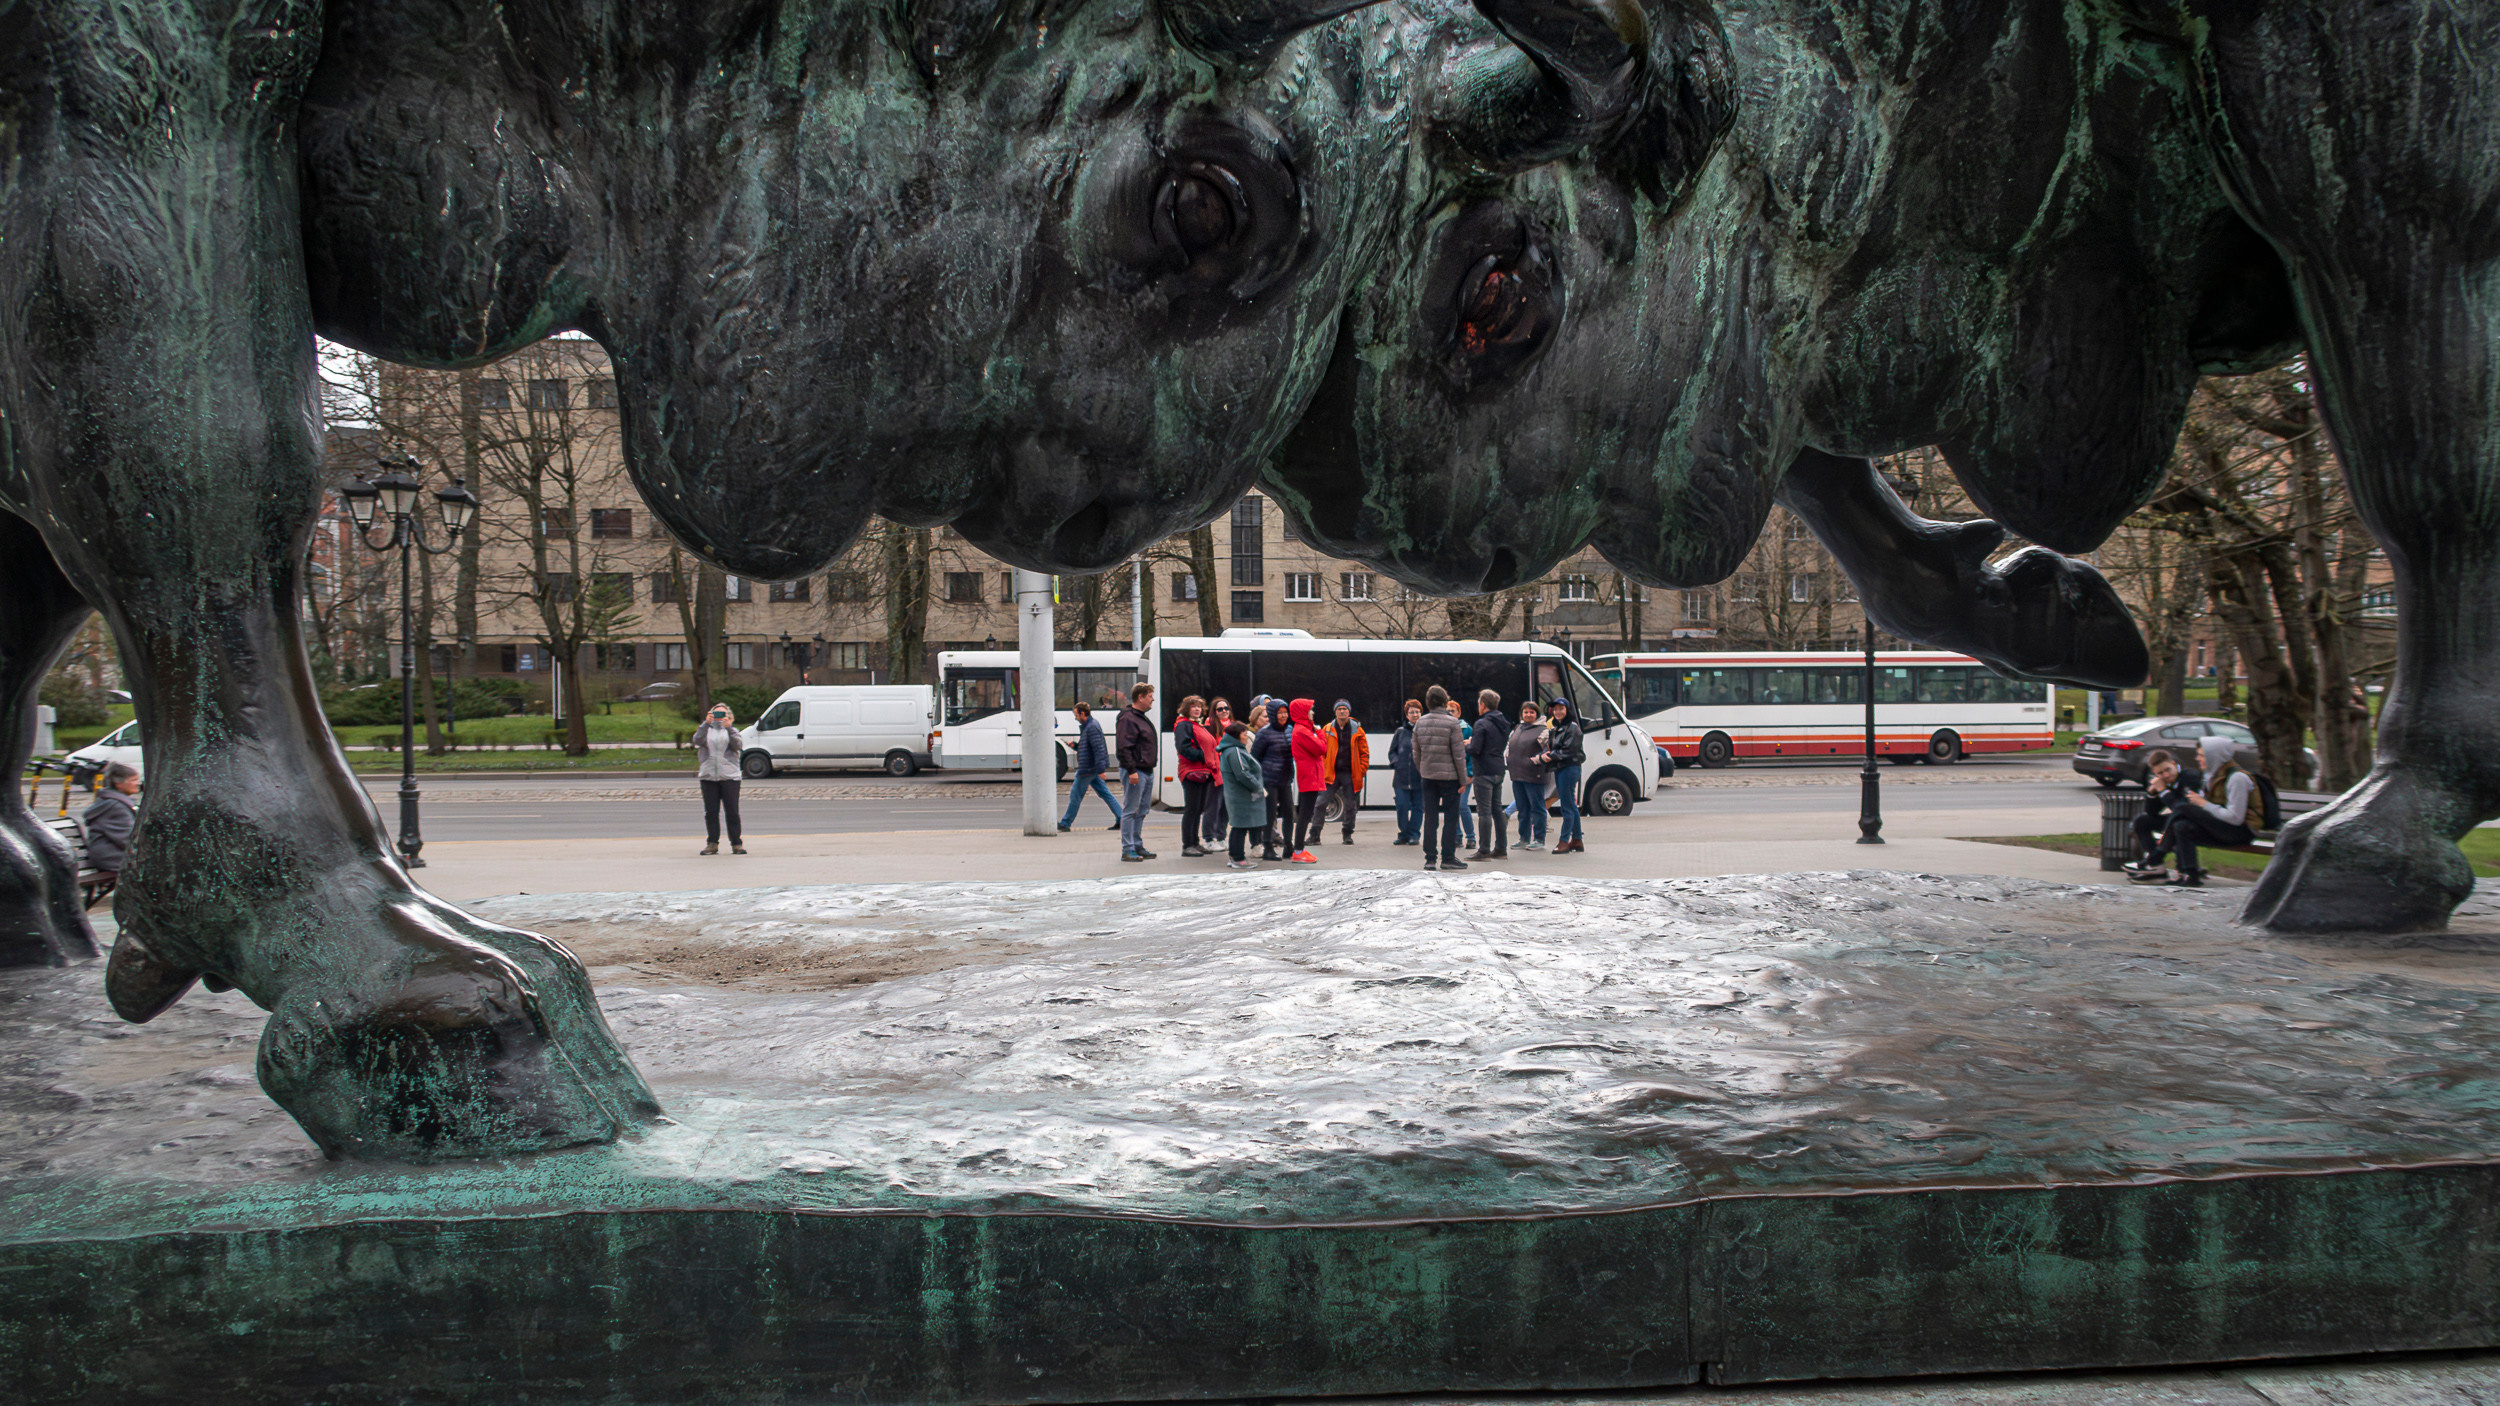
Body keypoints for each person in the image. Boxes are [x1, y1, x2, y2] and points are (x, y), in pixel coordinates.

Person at [2159, 734, 2259, 887]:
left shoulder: (2237, 778)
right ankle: (2190, 875)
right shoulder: (2210, 777)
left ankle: (2158, 853)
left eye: (2201, 755)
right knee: (2182, 825)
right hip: (2221, 828)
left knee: (2183, 808)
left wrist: (2204, 804)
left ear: (2214, 756)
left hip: (2241, 832)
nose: (2197, 759)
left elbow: (2235, 818)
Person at [2123, 748, 2203, 880]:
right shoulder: (2164, 782)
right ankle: (2156, 866)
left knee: (2178, 824)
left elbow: (2182, 808)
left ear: (2173, 763)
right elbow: (2151, 812)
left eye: (2167, 770)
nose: (2165, 775)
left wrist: (2164, 791)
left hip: (2196, 821)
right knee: (2142, 821)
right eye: (2160, 773)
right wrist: (2152, 793)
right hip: (2177, 820)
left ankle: (2155, 861)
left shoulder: (2190, 777)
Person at [1414, 685, 1469, 870]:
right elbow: (1459, 755)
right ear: (1445, 701)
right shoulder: (1452, 723)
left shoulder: (1420, 723)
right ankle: (1448, 857)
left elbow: (1416, 753)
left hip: (1428, 777)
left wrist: (1423, 770)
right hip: (1450, 778)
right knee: (1451, 817)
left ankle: (1430, 859)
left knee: (1430, 817)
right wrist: (1463, 780)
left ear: (1428, 702)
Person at [1057, 701, 1121, 833]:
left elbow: (1098, 749)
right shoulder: (1090, 726)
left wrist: (1101, 770)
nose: (1075, 718)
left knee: (1076, 795)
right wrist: (1075, 746)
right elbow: (1089, 747)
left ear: (1082, 713)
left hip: (1087, 769)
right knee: (1105, 793)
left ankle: (1065, 822)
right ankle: (1122, 818)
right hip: (1091, 768)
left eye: (1076, 715)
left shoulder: (1091, 727)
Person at [693, 703, 747, 855]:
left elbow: (738, 745)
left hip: (729, 777)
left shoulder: (732, 731)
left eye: (722, 715)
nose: (718, 718)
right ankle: (712, 843)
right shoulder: (706, 730)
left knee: (732, 811)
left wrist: (729, 728)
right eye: (715, 714)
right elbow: (697, 740)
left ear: (729, 717)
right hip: (708, 776)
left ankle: (736, 843)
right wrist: (705, 724)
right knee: (711, 812)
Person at [1466, 688, 1512, 860]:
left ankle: (1484, 850)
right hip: (1498, 769)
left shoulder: (1481, 723)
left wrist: (1467, 744)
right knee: (1497, 809)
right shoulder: (1503, 722)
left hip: (1483, 770)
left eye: (1479, 702)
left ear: (1483, 704)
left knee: (1484, 812)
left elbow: (1476, 749)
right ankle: (1501, 848)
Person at [1172, 695, 1220, 858]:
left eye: (1199, 706)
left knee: (1198, 808)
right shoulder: (1184, 725)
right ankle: (1188, 844)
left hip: (1202, 772)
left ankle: (1194, 842)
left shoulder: (1195, 725)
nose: (1197, 709)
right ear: (1187, 709)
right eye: (1193, 706)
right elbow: (1183, 747)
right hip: (1192, 772)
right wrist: (1203, 756)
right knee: (1192, 809)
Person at [1116, 681, 1159, 862]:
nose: (1152, 700)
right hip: (1136, 771)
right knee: (1131, 810)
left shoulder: (1139, 717)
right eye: (1149, 697)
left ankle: (1136, 844)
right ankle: (1128, 848)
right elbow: (1124, 747)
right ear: (1140, 697)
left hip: (1145, 770)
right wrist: (1131, 770)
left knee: (1141, 809)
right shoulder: (1128, 718)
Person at [1218, 721, 1269, 869]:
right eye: (1245, 734)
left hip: (1239, 795)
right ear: (1237, 736)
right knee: (1240, 827)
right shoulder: (1235, 751)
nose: (1247, 737)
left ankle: (1236, 856)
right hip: (1241, 796)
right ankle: (1238, 858)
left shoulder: (1234, 750)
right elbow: (1242, 773)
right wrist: (1257, 787)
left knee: (1240, 826)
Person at [1540, 697, 1587, 853]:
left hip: (1569, 767)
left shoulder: (1572, 728)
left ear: (1567, 710)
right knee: (1571, 805)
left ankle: (1564, 841)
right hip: (1562, 768)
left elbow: (1568, 751)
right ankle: (1577, 840)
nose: (1558, 712)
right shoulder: (1557, 728)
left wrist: (1550, 756)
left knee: (1567, 806)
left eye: (1561, 709)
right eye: (1555, 709)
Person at [81, 761, 140, 880]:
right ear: (118, 784)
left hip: (110, 855)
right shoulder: (116, 806)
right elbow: (127, 839)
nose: (138, 783)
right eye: (133, 780)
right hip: (111, 858)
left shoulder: (111, 801)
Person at [1252, 698, 1295, 862]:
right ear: (1272, 714)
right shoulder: (1264, 733)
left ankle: (1289, 846)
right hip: (1269, 779)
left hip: (1285, 778)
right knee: (1270, 815)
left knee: (1289, 814)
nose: (1283, 715)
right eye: (1280, 713)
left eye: (1285, 712)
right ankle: (1268, 847)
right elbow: (1255, 758)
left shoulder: (1289, 730)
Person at [1287, 699, 1329, 863]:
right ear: (1302, 713)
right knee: (1305, 814)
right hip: (1310, 776)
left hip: (1310, 775)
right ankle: (1298, 850)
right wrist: (1319, 733)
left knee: (1305, 813)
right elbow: (1321, 748)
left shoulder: (1303, 729)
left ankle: (1299, 849)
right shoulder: (1302, 731)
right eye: (1310, 710)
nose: (1313, 713)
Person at [1507, 700, 1551, 851]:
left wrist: (1535, 760)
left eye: (1532, 712)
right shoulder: (1518, 728)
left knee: (1537, 808)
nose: (1528, 715)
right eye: (1526, 712)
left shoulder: (1543, 730)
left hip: (1534, 775)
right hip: (1517, 775)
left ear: (1537, 714)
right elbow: (1509, 746)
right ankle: (1524, 838)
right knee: (1522, 808)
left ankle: (1539, 839)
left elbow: (1547, 750)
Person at [1324, 699, 1369, 845]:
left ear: (1349, 712)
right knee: (1320, 804)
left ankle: (1347, 835)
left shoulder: (1358, 730)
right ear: (1335, 712)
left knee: (1350, 806)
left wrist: (1361, 770)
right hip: (1331, 773)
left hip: (1350, 773)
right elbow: (1322, 751)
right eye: (1339, 709)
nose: (1342, 711)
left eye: (1344, 709)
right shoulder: (1327, 729)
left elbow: (1364, 753)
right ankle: (1314, 835)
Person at [1388, 699, 1424, 844]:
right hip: (1401, 778)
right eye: (1411, 712)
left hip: (1420, 778)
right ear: (1407, 715)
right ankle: (1403, 833)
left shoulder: (1425, 731)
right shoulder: (1400, 732)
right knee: (1402, 806)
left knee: (1418, 808)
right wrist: (1396, 763)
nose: (1414, 715)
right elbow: (1392, 752)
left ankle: (1414, 834)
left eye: (1417, 712)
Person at [1202, 697, 1236, 849]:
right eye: (1220, 709)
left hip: (1230, 769)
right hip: (1215, 769)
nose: (1224, 711)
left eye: (1226, 708)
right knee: (1213, 805)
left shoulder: (1233, 727)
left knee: (1226, 806)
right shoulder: (1208, 727)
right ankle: (1209, 839)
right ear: (1214, 712)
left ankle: (1221, 836)